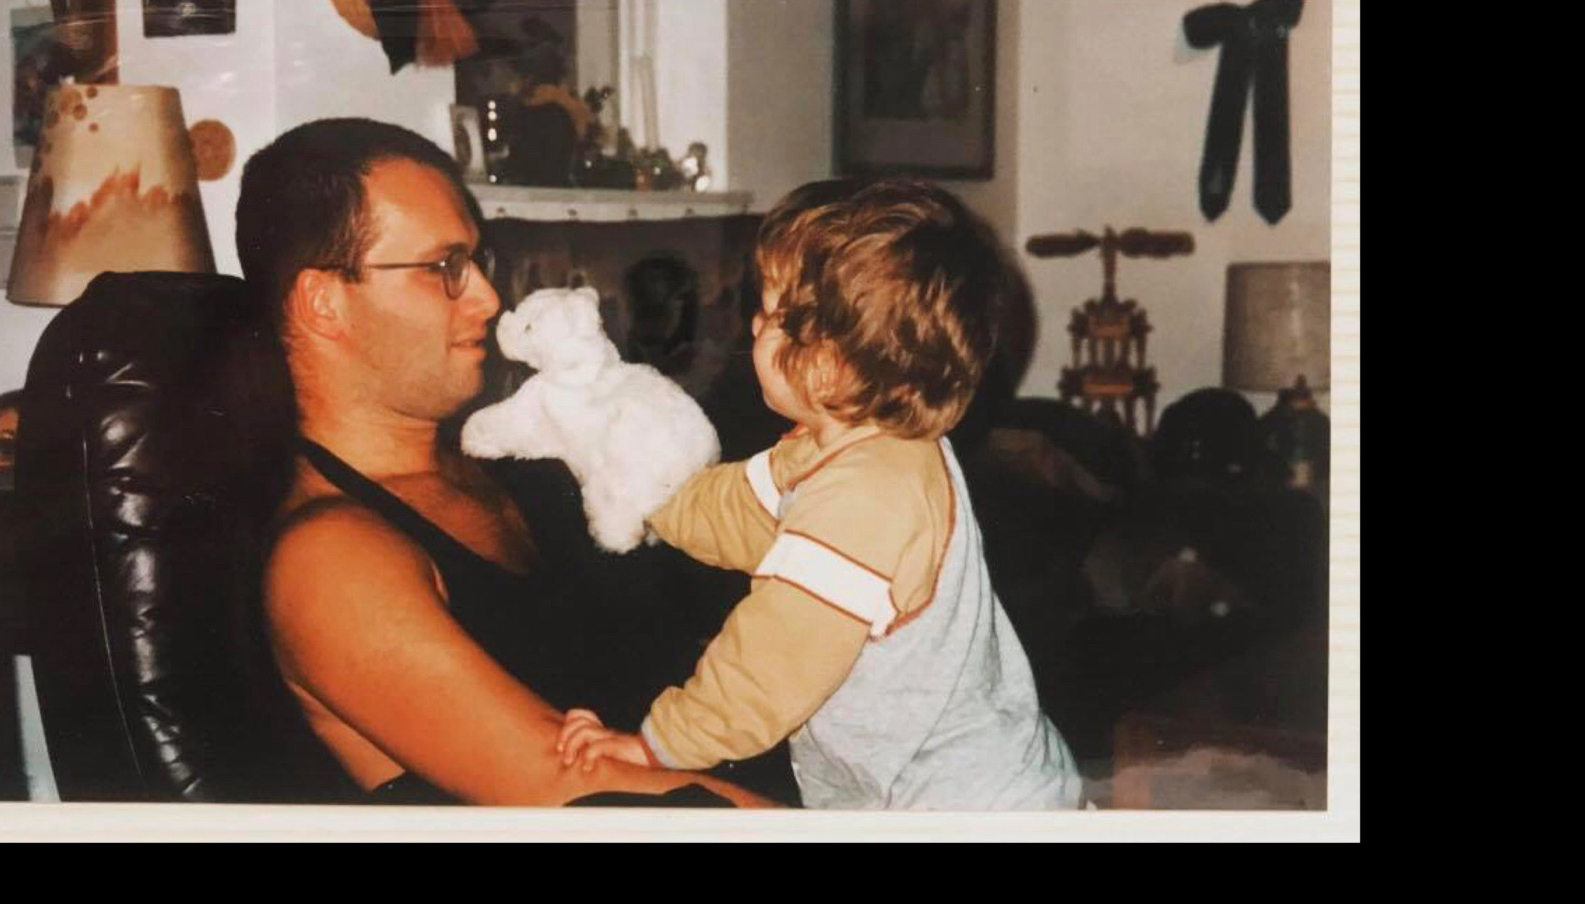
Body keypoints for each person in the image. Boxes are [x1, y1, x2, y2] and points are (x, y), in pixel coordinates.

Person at [235, 118, 773, 807]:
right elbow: (571, 784)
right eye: (445, 268)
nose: (488, 298)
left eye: (476, 261)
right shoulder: (331, 559)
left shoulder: (515, 460)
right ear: (324, 303)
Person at [556, 179, 1084, 809]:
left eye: (770, 312)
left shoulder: (867, 494)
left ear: (827, 364)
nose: (754, 324)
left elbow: (774, 659)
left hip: (960, 808)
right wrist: (648, 498)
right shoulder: (848, 445)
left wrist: (660, 745)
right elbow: (741, 510)